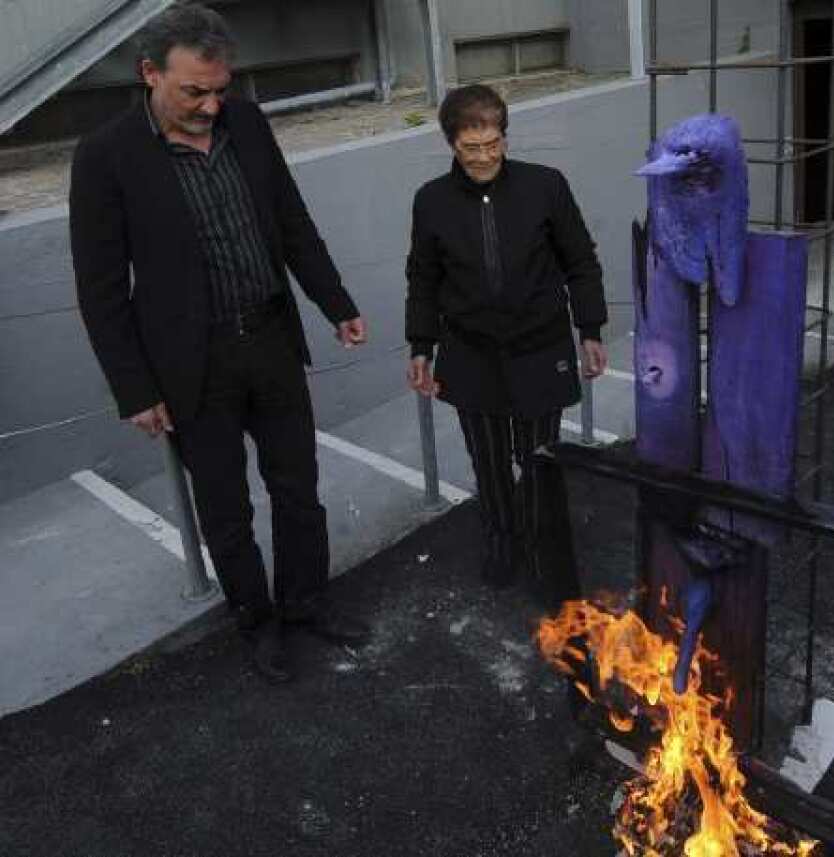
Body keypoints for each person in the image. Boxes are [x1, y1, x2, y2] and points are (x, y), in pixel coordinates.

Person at [70, 4, 369, 684]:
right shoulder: (105, 156)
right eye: (193, 91)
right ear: (150, 73)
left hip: (269, 336)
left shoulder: (249, 124)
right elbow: (101, 286)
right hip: (191, 364)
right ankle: (257, 621)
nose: (210, 105)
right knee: (225, 505)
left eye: (219, 89)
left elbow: (291, 221)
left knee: (298, 485)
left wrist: (336, 301)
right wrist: (135, 389)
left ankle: (306, 603)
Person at [405, 84, 608, 599]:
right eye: (471, 148)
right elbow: (423, 278)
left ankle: (543, 546)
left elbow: (580, 261)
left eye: (492, 144)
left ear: (505, 137)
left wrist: (590, 329)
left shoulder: (546, 186)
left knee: (540, 456)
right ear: (451, 143)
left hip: (541, 346)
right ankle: (501, 537)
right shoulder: (430, 200)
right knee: (489, 459)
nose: (483, 157)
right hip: (471, 353)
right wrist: (420, 347)